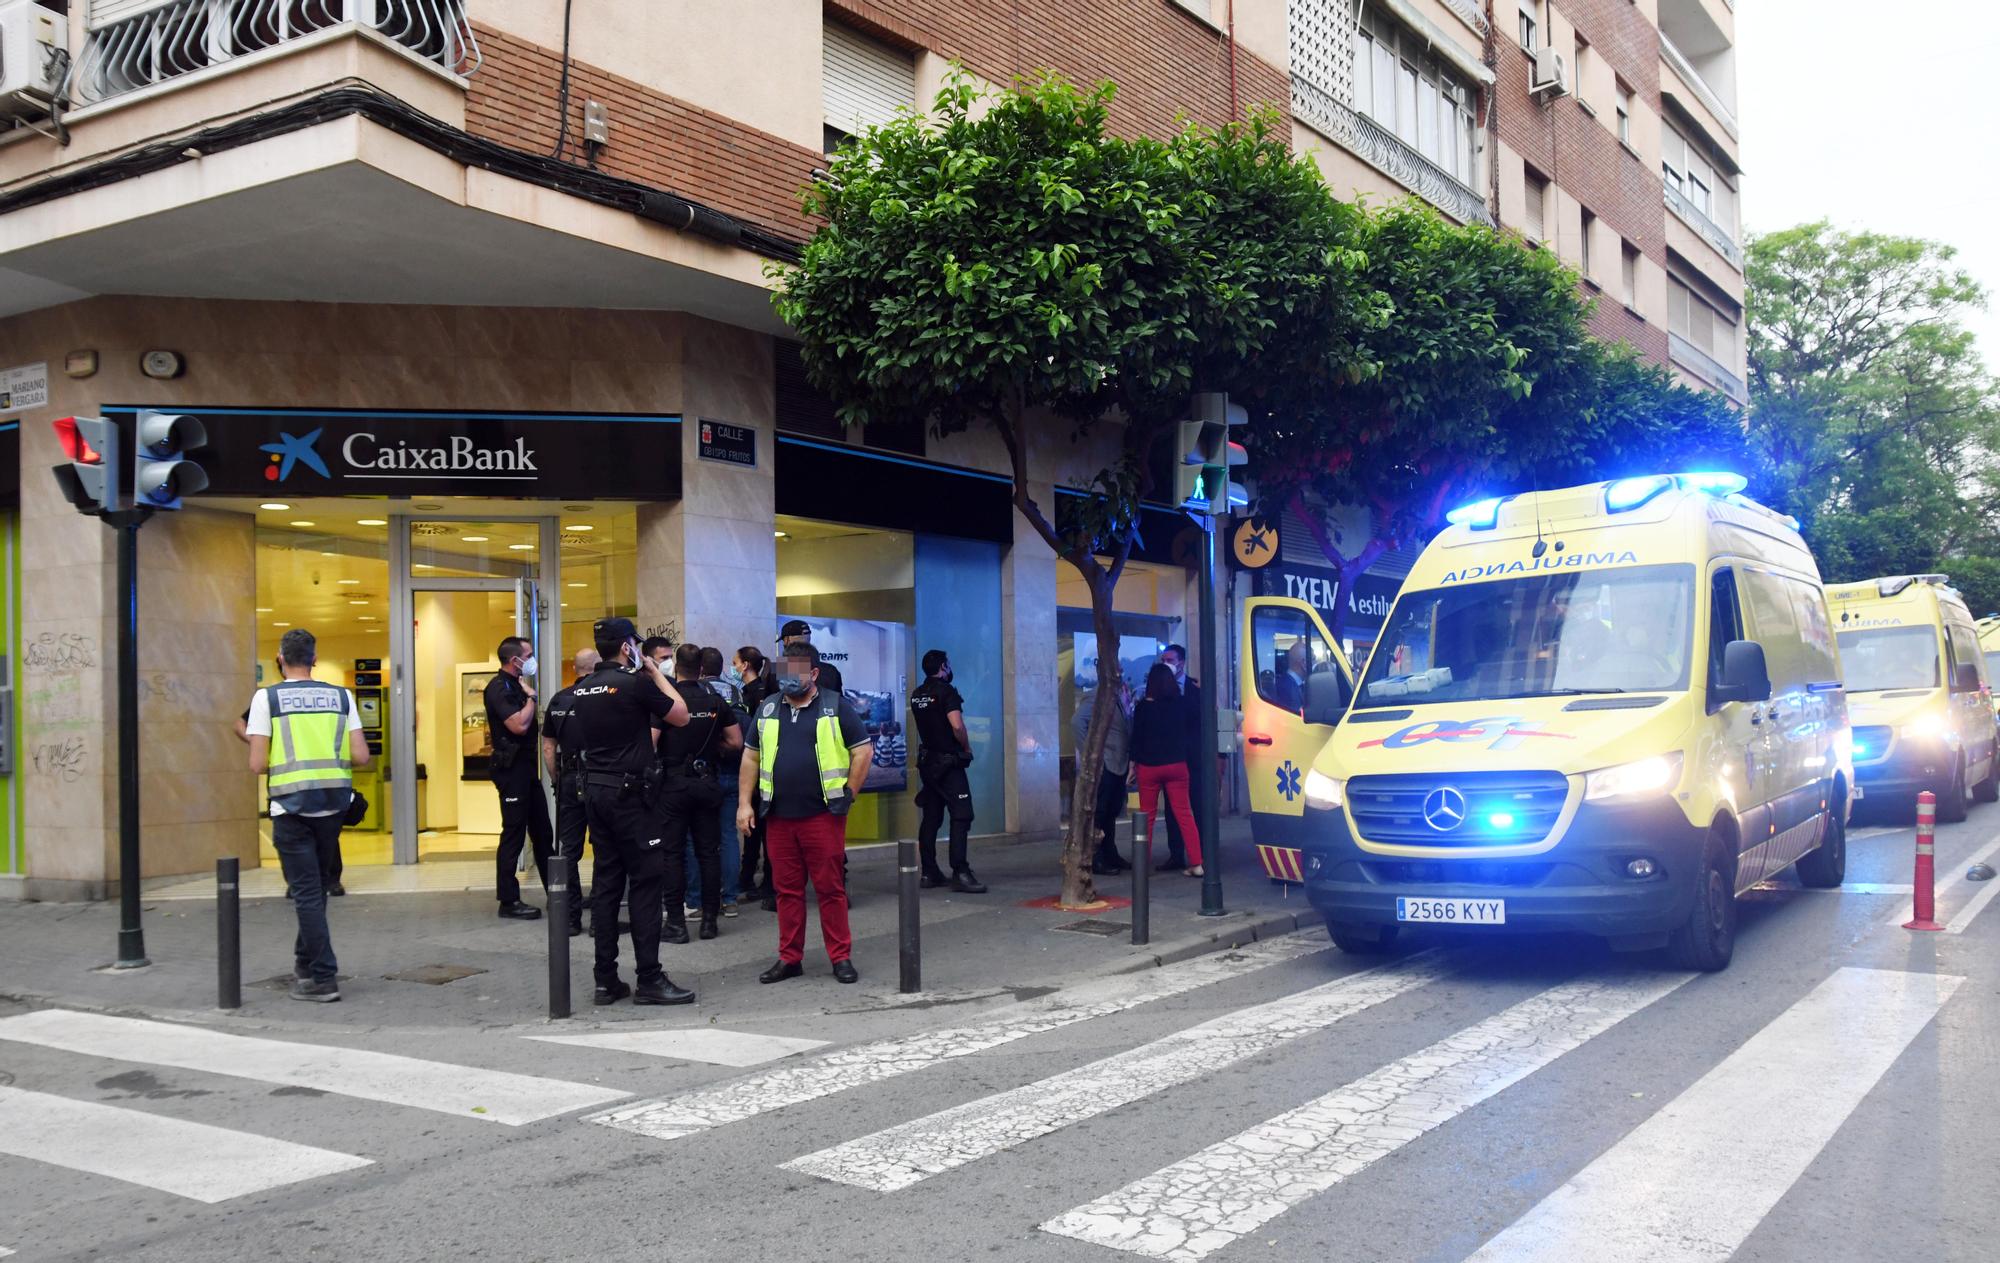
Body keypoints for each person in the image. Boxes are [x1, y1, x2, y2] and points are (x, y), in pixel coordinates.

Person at [569, 617, 694, 1005]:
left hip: (596, 793)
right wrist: (655, 672)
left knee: (607, 884)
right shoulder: (635, 682)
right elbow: (681, 714)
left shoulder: (583, 687)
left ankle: (605, 980)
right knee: (645, 882)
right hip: (632, 797)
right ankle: (650, 979)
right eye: (635, 645)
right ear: (627, 647)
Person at [244, 629, 371, 1003]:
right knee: (315, 889)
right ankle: (304, 963)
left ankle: (323, 977)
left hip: (291, 807)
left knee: (305, 893)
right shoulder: (341, 696)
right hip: (333, 805)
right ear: (315, 659)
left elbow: (256, 764)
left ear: (280, 660)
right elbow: (361, 756)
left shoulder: (267, 698)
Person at [736, 641, 872, 985]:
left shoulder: (835, 706)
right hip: (779, 816)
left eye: (795, 673)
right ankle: (789, 958)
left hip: (822, 815)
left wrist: (850, 793)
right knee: (787, 891)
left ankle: (840, 957)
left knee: (830, 889)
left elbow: (863, 751)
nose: (787, 679)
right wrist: (744, 803)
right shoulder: (768, 708)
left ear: (813, 673)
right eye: (784, 672)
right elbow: (750, 756)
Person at [659, 643, 743, 942]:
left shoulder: (668, 702)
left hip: (673, 785)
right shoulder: (715, 701)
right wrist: (712, 750)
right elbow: (736, 742)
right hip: (706, 781)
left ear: (676, 667)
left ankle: (677, 924)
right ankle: (709, 922)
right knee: (709, 852)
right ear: (702, 669)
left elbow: (651, 741)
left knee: (673, 853)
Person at [236, 666, 344, 896]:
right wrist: (262, 745)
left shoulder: (273, 697)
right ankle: (321, 881)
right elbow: (240, 724)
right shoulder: (277, 698)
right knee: (321, 829)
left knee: (297, 833)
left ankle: (309, 882)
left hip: (297, 779)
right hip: (310, 778)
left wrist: (262, 746)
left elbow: (240, 726)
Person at [484, 635, 553, 920]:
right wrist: (532, 698)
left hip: (526, 769)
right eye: (529, 655)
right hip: (511, 770)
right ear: (515, 660)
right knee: (513, 833)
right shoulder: (498, 688)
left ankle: (558, 892)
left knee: (543, 832)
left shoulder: (515, 685)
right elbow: (518, 725)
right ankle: (508, 901)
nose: (532, 660)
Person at [910, 648, 987, 892]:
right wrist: (966, 747)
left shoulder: (917, 694)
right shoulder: (947, 692)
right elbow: (957, 725)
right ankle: (960, 872)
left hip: (928, 764)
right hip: (949, 763)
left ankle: (929, 872)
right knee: (962, 815)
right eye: (948, 664)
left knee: (931, 816)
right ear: (943, 667)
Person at [540, 648, 600, 938]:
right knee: (604, 849)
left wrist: (557, 778)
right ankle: (600, 919)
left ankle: (572, 918)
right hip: (600, 779)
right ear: (596, 667)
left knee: (569, 851)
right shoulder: (603, 697)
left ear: (575, 668)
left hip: (569, 778)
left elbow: (548, 747)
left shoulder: (558, 700)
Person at [1131, 662, 1203, 877]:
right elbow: (1199, 714)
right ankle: (1197, 863)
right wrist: (1199, 690)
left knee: (1147, 817)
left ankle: (1142, 866)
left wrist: (1132, 765)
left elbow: (1136, 739)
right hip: (1177, 766)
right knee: (1184, 814)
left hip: (1149, 767)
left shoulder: (1143, 708)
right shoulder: (1181, 704)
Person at [700, 646, 747, 918]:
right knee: (729, 836)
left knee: (701, 839)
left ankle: (699, 899)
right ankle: (730, 899)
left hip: (707, 773)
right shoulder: (737, 693)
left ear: (701, 669)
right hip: (735, 772)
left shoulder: (699, 693)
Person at [1072, 676, 1133, 875]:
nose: (1120, 674)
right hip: (1105, 762)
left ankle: (1110, 852)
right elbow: (1077, 723)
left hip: (1118, 763)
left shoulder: (1118, 696)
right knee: (1099, 812)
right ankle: (1094, 856)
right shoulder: (1096, 696)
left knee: (1111, 811)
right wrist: (1091, 754)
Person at [734, 645, 777, 908]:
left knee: (763, 830)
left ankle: (766, 883)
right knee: (753, 830)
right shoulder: (748, 691)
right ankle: (747, 877)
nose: (734, 668)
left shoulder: (759, 694)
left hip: (762, 771)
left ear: (746, 665)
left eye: (735, 663)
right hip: (757, 771)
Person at [1156, 643, 1203, 872]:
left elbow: (1204, 718)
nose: (1166, 664)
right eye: (1163, 660)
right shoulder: (1159, 689)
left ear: (1181, 663)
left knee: (1198, 806)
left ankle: (1201, 854)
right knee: (1172, 810)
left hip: (1194, 757)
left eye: (1170, 660)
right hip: (1171, 757)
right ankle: (1176, 854)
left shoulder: (1196, 688)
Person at [779, 619, 842, 694]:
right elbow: (838, 699)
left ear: (787, 640)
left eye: (783, 640)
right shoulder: (832, 671)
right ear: (809, 638)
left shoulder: (780, 671)